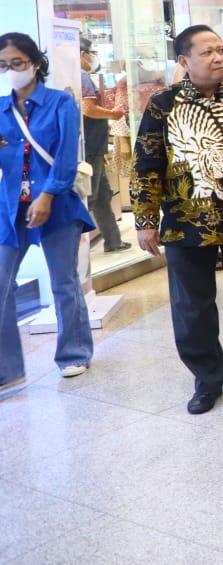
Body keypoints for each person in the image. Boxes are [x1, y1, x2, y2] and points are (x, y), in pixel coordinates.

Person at [132, 25, 223, 415]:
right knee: (191, 304)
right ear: (184, 61)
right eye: (208, 52)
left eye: (221, 50)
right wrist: (146, 217)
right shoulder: (162, 105)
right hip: (186, 218)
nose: (219, 57)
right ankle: (207, 378)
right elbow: (147, 161)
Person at [0, 32, 96, 394]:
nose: (11, 71)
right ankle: (7, 369)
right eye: (4, 65)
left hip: (56, 207)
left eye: (18, 63)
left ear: (35, 63)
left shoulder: (60, 103)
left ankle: (74, 352)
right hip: (11, 208)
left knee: (64, 282)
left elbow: (67, 158)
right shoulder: (0, 108)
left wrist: (47, 196)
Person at [80, 36, 129, 255]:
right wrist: (114, 114)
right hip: (90, 146)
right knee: (90, 195)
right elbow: (88, 109)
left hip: (95, 145)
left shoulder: (84, 76)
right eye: (91, 52)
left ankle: (113, 240)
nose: (93, 56)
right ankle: (79, 249)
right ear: (82, 54)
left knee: (102, 195)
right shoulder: (82, 77)